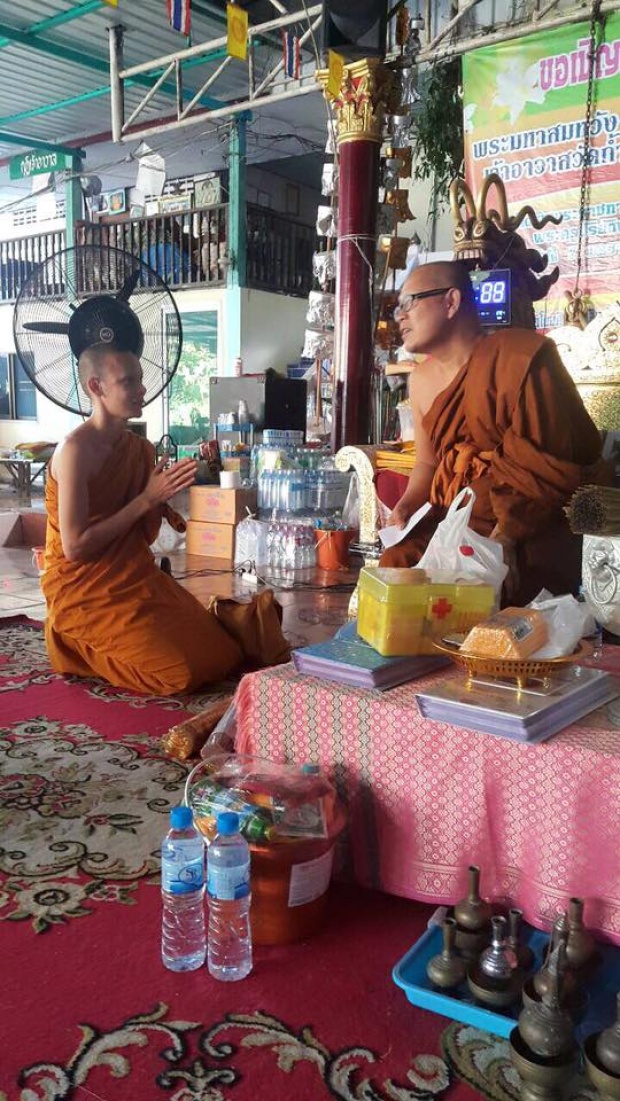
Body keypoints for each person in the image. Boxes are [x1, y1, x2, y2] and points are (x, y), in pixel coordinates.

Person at [42, 344, 289, 696]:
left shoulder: (138, 449)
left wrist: (159, 501)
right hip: (82, 591)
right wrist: (146, 499)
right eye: (129, 382)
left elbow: (141, 538)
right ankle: (70, 639)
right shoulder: (75, 451)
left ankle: (219, 621)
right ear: (97, 387)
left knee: (221, 654)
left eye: (141, 379)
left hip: (133, 576)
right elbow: (76, 546)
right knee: (180, 673)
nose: (143, 390)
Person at [380, 260, 611, 604]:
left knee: (505, 579)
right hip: (457, 515)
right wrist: (406, 505)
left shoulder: (519, 357)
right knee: (397, 564)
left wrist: (506, 537)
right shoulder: (420, 380)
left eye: (409, 302)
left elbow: (545, 464)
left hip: (528, 519)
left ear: (451, 301)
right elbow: (428, 463)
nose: (399, 316)